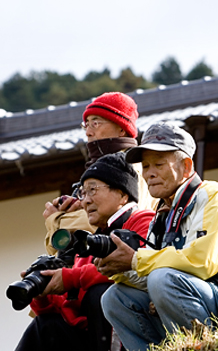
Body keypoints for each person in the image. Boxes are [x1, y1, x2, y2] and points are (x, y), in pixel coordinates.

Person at [97, 123, 218, 351]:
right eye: (146, 166)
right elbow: (154, 272)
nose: (149, 173)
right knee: (114, 297)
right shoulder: (162, 215)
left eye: (159, 164)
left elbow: (202, 262)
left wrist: (136, 260)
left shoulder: (214, 196)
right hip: (210, 301)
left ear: (186, 166)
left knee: (162, 280)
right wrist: (119, 267)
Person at [0, 153, 154, 351]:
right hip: (93, 343)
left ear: (122, 192)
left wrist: (69, 278)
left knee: (100, 294)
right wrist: (44, 294)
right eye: (83, 193)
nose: (85, 201)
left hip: (136, 338)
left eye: (93, 190)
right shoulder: (90, 240)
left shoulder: (142, 220)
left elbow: (120, 270)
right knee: (46, 326)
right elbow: (71, 303)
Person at [41, 92, 155, 255]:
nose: (88, 132)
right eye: (85, 125)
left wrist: (56, 220)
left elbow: (122, 219)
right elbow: (55, 248)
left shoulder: (133, 165)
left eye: (95, 123)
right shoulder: (96, 170)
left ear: (122, 129)